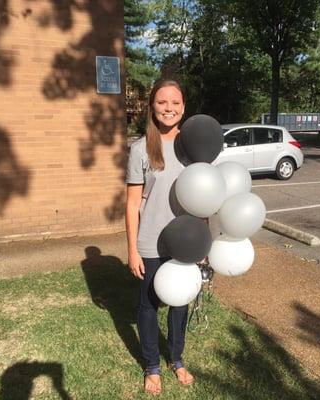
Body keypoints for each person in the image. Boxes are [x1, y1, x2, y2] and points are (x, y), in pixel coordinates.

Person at [125, 79, 195, 394]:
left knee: (181, 302)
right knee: (149, 305)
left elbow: (203, 196)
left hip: (184, 240)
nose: (169, 108)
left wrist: (202, 241)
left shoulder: (193, 146)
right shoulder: (140, 148)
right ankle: (152, 365)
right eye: (162, 102)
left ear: (184, 107)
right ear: (152, 106)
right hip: (151, 241)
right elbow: (130, 205)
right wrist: (132, 250)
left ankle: (176, 358)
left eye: (175, 103)